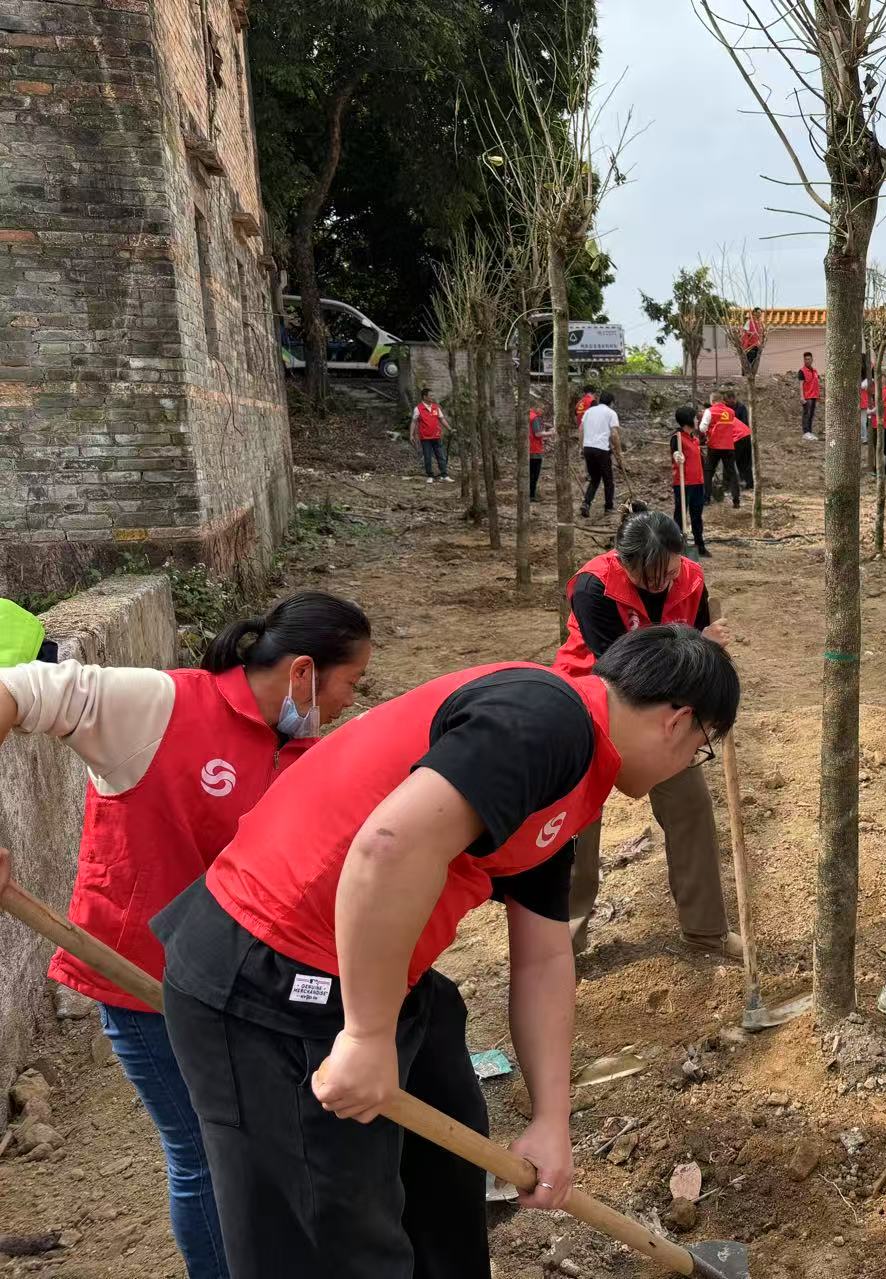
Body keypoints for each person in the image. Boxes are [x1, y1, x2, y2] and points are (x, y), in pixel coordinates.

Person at [154, 626, 739, 1279]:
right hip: (268, 969)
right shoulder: (547, 721)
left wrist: (552, 1119)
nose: (690, 764)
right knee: (334, 1242)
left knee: (445, 1176)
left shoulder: (575, 766)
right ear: (678, 721)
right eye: (701, 748)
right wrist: (367, 1033)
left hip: (364, 969)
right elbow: (389, 844)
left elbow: (545, 954)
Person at [0, 591, 371, 1279]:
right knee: (205, 1151)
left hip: (241, 986)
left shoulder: (300, 751)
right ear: (302, 672)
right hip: (146, 982)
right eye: (351, 682)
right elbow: (14, 690)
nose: (351, 700)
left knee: (262, 1146)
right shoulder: (160, 706)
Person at [556, 509, 742, 958]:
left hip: (668, 710)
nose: (663, 584)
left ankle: (705, 929)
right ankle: (560, 945)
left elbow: (696, 653)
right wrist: (698, 644)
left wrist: (707, 650)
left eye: (670, 572)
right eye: (651, 576)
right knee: (577, 827)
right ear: (625, 562)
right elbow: (624, 668)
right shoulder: (594, 587)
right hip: (592, 707)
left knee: (691, 805)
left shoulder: (691, 579)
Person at [670, 405, 710, 559]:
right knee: (680, 515)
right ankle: (677, 545)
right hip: (683, 483)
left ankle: (700, 544)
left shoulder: (694, 438)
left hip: (698, 482)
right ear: (688, 420)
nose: (697, 420)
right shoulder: (677, 437)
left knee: (697, 515)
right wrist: (677, 455)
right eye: (695, 418)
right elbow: (675, 450)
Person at [579, 389, 620, 519]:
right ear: (611, 402)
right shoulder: (611, 413)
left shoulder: (589, 411)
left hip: (588, 448)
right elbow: (614, 434)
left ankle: (586, 503)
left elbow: (581, 429)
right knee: (608, 480)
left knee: (595, 478)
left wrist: (581, 447)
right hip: (601, 449)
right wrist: (619, 452)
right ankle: (608, 507)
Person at [702, 391, 743, 507]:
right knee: (732, 473)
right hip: (728, 446)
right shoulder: (731, 412)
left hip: (714, 446)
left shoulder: (709, 411)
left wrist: (707, 432)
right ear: (722, 400)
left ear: (712, 401)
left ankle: (706, 498)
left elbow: (702, 428)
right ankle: (736, 500)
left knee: (708, 471)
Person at [409, 389, 449, 483]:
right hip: (425, 438)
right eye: (430, 395)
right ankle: (430, 476)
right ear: (425, 397)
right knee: (427, 457)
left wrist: (450, 429)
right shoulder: (418, 408)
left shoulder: (436, 407)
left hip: (436, 436)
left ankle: (444, 475)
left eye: (432, 395)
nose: (432, 397)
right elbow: (414, 422)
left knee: (441, 456)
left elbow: (442, 419)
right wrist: (411, 435)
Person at [527, 404, 553, 502]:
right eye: (542, 408)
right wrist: (552, 433)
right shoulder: (535, 418)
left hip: (528, 448)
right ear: (536, 407)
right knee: (534, 474)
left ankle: (529, 495)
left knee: (530, 473)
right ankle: (531, 495)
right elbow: (538, 434)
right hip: (535, 450)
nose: (543, 411)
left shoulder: (527, 415)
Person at [729, 395, 755, 490]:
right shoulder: (729, 410)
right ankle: (748, 483)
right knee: (743, 462)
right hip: (746, 434)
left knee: (737, 461)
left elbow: (744, 421)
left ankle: (737, 484)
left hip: (739, 436)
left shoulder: (741, 408)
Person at [798, 351, 820, 440]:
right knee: (806, 414)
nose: (807, 361)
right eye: (805, 359)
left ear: (812, 359)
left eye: (809, 359)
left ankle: (810, 432)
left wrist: (818, 396)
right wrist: (802, 397)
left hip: (814, 396)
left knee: (811, 415)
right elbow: (801, 385)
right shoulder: (802, 371)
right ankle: (806, 432)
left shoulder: (815, 371)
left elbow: (816, 383)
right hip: (807, 397)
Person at [740, 307, 765, 375]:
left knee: (755, 361)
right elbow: (745, 331)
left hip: (758, 345)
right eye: (758, 313)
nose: (759, 314)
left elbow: (762, 333)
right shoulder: (749, 322)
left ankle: (752, 375)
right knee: (748, 360)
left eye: (760, 313)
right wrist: (751, 333)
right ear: (754, 313)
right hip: (750, 346)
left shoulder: (760, 323)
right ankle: (746, 374)